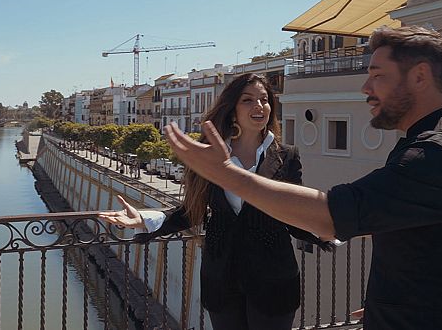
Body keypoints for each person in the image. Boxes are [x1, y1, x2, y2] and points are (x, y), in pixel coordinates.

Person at [165, 26, 442, 330]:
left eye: (377, 75)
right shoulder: (437, 142)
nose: (365, 87)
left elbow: (330, 216)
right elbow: (424, 246)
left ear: (419, 76)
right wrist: (387, 307)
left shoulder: (438, 154)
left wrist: (226, 174)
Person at [100, 73, 331, 330]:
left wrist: (331, 226)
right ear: (232, 109)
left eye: (264, 100)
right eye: (248, 100)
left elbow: (294, 214)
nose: (259, 106)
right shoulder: (210, 153)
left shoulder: (287, 156)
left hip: (273, 280)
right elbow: (193, 211)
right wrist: (145, 218)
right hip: (222, 280)